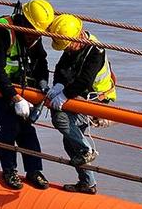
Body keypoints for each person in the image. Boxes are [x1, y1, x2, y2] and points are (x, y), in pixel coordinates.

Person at [0, 0, 54, 190]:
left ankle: (34, 171)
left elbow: (41, 60)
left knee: (26, 127)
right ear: (24, 21)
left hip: (16, 85)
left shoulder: (32, 34)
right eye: (33, 33)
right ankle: (9, 170)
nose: (34, 38)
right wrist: (15, 98)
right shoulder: (0, 31)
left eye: (38, 34)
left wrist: (42, 81)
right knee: (10, 124)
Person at [44, 14, 116, 194]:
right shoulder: (73, 46)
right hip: (78, 95)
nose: (67, 50)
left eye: (69, 46)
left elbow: (85, 80)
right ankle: (88, 183)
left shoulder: (95, 52)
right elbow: (61, 68)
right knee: (69, 141)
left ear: (79, 36)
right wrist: (58, 85)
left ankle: (86, 150)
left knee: (61, 119)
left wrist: (64, 95)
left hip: (96, 100)